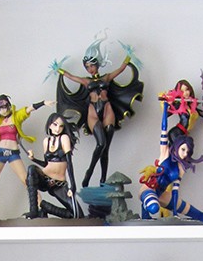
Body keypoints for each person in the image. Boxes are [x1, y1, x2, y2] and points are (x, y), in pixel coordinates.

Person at [53, 36, 143, 186]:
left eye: (91, 65)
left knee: (105, 148)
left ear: (97, 64)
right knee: (101, 144)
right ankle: (89, 172)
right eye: (87, 66)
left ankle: (102, 180)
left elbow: (120, 69)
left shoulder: (106, 78)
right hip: (93, 111)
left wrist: (128, 56)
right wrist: (60, 70)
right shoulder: (86, 81)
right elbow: (72, 77)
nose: (90, 69)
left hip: (107, 108)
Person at [0, 93, 51, 219]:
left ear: (9, 105)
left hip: (13, 154)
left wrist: (43, 103)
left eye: (5, 107)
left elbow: (28, 109)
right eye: (0, 109)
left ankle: (41, 207)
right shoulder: (0, 122)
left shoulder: (16, 117)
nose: (3, 110)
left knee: (28, 183)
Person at [26, 113, 81, 219]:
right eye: (55, 125)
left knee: (76, 215)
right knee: (31, 169)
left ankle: (45, 207)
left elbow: (69, 163)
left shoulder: (64, 138)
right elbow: (47, 164)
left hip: (58, 184)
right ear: (49, 125)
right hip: (45, 179)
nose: (57, 129)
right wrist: (33, 159)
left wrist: (73, 186)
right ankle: (33, 211)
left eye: (61, 126)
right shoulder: (46, 141)